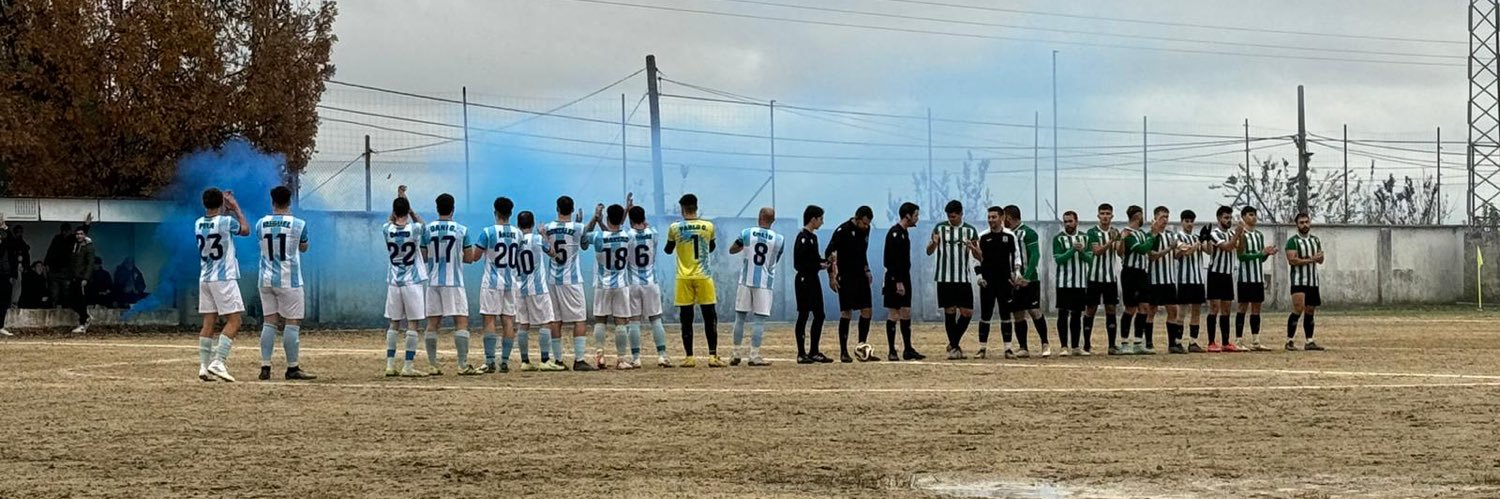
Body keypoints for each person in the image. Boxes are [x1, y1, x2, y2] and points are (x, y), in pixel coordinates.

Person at [255, 185, 316, 381]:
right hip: (289, 279)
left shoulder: (260, 223)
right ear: (290, 202)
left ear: (272, 202)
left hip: (265, 279)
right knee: (292, 322)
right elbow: (304, 248)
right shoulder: (298, 224)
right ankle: (292, 367)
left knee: (269, 322)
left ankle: (265, 366)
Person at [196, 188, 250, 382]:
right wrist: (235, 208)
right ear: (221, 203)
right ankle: (218, 361)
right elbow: (245, 230)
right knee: (235, 321)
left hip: (205, 277)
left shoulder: (198, 223)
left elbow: (218, 225)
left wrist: (223, 209)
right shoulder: (226, 221)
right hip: (224, 278)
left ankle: (203, 366)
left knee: (209, 322)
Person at [665, 194, 721, 368]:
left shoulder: (675, 228)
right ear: (696, 207)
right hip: (704, 276)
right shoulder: (708, 226)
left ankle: (689, 357)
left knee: (686, 317)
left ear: (682, 208)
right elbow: (711, 248)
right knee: (709, 316)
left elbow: (668, 250)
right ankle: (713, 356)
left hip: (684, 277)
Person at [420, 193, 473, 376]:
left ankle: (433, 365)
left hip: (433, 281)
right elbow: (469, 258)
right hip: (454, 282)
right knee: (461, 321)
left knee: (433, 323)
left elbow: (424, 256)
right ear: (453, 208)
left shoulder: (427, 230)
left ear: (437, 208)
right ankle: (462, 364)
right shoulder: (462, 230)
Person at [381, 187, 430, 377]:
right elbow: (421, 223)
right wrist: (409, 208)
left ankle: (390, 365)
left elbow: (390, 221)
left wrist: (399, 203)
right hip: (413, 281)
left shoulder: (387, 229)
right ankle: (408, 366)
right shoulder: (414, 229)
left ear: (394, 212)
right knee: (413, 324)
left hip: (394, 282)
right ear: (407, 211)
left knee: (394, 323)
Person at [544, 196, 595, 371]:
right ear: (572, 210)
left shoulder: (548, 228)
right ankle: (579, 359)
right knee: (580, 318)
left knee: (555, 320)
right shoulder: (578, 227)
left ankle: (558, 360)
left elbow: (545, 247)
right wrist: (591, 220)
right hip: (572, 280)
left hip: (552, 279)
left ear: (557, 208)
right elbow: (585, 244)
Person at [729, 207, 784, 367]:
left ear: (759, 216)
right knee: (759, 320)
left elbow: (732, 249)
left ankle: (735, 353)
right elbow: (775, 260)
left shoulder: (746, 232)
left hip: (745, 280)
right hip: (764, 283)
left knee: (740, 318)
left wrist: (745, 248)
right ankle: (754, 355)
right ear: (773, 220)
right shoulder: (779, 239)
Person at [587, 204, 639, 370]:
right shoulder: (627, 236)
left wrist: (596, 219)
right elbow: (616, 232)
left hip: (602, 284)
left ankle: (600, 356)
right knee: (621, 322)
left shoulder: (598, 236)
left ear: (607, 218)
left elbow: (584, 237)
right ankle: (621, 359)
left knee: (600, 321)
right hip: (621, 284)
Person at [474, 196, 522, 374]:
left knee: (489, 319)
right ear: (511, 213)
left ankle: (489, 361)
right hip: (511, 282)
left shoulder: (488, 232)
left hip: (492, 282)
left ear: (495, 211)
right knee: (508, 320)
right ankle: (505, 361)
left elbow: (476, 255)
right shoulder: (518, 233)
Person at [927, 200, 980, 360]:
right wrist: (934, 244)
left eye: (954, 217)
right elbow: (929, 251)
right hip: (944, 278)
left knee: (967, 312)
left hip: (963, 278)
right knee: (949, 312)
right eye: (949, 217)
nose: (951, 219)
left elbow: (979, 256)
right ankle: (955, 348)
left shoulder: (970, 231)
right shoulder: (939, 228)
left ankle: (953, 343)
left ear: (961, 214)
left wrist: (973, 248)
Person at [515, 210, 564, 371]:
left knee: (523, 324)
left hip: (520, 287)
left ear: (518, 224)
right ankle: (544, 359)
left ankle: (525, 361)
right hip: (537, 287)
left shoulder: (515, 241)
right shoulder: (537, 239)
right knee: (546, 322)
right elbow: (552, 253)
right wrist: (543, 235)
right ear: (533, 223)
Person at [626, 203, 674, 368]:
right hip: (651, 282)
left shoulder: (627, 235)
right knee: (655, 319)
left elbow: (624, 230)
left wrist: (627, 211)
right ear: (644, 218)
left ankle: (636, 358)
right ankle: (662, 355)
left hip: (633, 283)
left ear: (631, 220)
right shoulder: (653, 233)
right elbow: (646, 227)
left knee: (634, 321)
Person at [825, 206, 874, 363]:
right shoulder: (842, 231)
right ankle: (844, 351)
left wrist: (867, 270)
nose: (866, 227)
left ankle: (861, 347)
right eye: (864, 223)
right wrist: (831, 276)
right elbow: (829, 253)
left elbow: (862, 252)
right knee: (846, 312)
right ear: (857, 219)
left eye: (868, 224)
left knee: (867, 310)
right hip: (845, 276)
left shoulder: (866, 230)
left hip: (860, 275)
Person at [976, 206, 1022, 358]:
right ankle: (982, 349)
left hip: (1005, 281)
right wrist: (979, 277)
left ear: (1001, 218)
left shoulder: (1009, 236)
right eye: (989, 217)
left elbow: (1016, 256)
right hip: (987, 282)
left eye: (994, 217)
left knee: (1005, 314)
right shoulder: (982, 236)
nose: (990, 220)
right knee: (985, 315)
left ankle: (1008, 349)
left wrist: (1017, 273)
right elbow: (976, 258)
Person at [1004, 205, 1049, 356]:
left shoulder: (1028, 233)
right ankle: (1023, 347)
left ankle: (1045, 343)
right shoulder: (1006, 234)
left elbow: (1035, 256)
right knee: (1018, 313)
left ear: (1008, 217)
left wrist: (1027, 277)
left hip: (1029, 280)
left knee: (1034, 311)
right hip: (1012, 281)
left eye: (1004, 217)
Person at [884, 202, 925, 361]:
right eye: (916, 215)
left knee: (906, 311)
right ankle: (892, 351)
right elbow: (890, 260)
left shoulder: (904, 233)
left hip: (904, 277)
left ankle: (908, 349)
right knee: (894, 312)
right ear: (907, 215)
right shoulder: (895, 233)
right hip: (895, 279)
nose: (917, 218)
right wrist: (898, 282)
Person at [792, 205, 832, 364]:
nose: (822, 222)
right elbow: (799, 263)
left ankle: (814, 350)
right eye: (820, 219)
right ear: (813, 219)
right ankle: (801, 353)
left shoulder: (813, 238)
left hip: (813, 280)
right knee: (803, 315)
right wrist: (818, 265)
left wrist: (826, 262)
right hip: (804, 280)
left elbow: (815, 259)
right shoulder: (802, 237)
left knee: (819, 315)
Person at [1133, 206, 1175, 354]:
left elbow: (1175, 255)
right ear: (1155, 218)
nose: (1165, 220)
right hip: (1155, 279)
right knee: (1152, 311)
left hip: (1169, 279)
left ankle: (1172, 344)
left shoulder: (1170, 235)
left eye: (1167, 217)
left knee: (1173, 310)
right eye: (1162, 217)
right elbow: (1152, 256)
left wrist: (1183, 250)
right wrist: (1169, 249)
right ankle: (1149, 342)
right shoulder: (1150, 235)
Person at [1234, 206, 1277, 351]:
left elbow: (1261, 259)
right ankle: (1238, 340)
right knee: (1242, 307)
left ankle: (1256, 340)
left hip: (1257, 278)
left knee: (1257, 308)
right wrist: (1260, 254)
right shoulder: (1241, 235)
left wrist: (1267, 254)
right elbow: (1241, 256)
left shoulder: (1259, 235)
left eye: (1255, 215)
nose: (1254, 218)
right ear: (1244, 217)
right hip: (1245, 278)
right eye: (1251, 215)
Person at [1084, 204, 1122, 354]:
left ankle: (1111, 345)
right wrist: (1111, 242)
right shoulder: (1092, 232)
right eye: (1102, 213)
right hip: (1094, 277)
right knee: (1091, 309)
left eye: (1108, 213)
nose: (1105, 216)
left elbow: (1120, 252)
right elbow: (1097, 251)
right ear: (1098, 216)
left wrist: (1120, 241)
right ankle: (1086, 344)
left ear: (1112, 216)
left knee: (1111, 309)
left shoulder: (1115, 232)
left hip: (1110, 278)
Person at [1053, 211, 1092, 356]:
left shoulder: (1085, 237)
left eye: (1070, 221)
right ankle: (1064, 346)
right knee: (1063, 314)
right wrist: (1072, 250)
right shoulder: (1058, 239)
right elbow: (1058, 259)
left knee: (1077, 315)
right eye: (1065, 222)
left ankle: (1075, 346)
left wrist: (1081, 251)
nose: (1068, 224)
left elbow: (1090, 259)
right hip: (1064, 283)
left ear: (1076, 221)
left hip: (1080, 283)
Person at [1285, 213, 1325, 351]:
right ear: (1297, 225)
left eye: (1307, 222)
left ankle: (1309, 341)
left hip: (1313, 281)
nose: (1305, 225)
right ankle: (1289, 340)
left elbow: (1320, 259)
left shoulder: (1315, 240)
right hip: (1298, 280)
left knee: (1310, 310)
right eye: (1301, 222)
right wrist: (1312, 259)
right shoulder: (1292, 241)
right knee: (1298, 308)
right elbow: (1292, 260)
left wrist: (1318, 258)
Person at [1205, 206, 1241, 352]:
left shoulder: (1232, 233)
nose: (1229, 220)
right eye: (1226, 218)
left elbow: (1240, 248)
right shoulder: (1214, 234)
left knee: (1226, 308)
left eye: (1230, 218)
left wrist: (1241, 235)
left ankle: (1226, 342)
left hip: (1227, 274)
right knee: (1214, 308)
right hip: (1215, 274)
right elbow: (1227, 247)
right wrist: (1237, 235)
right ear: (1219, 218)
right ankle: (1211, 342)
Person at [1117, 206, 1149, 354]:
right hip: (1130, 273)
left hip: (1142, 273)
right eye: (1142, 215)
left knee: (1144, 307)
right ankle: (1124, 342)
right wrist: (1154, 234)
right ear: (1137, 216)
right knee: (1130, 308)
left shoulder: (1142, 233)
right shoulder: (1126, 234)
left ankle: (1137, 342)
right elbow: (1142, 249)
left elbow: (1149, 248)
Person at [1175, 210, 1208, 353]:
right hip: (1184, 279)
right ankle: (1177, 341)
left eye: (1191, 221)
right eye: (1187, 221)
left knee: (1196, 310)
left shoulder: (1196, 237)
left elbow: (1209, 251)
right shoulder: (1178, 237)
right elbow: (1186, 252)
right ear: (1182, 222)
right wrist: (1199, 242)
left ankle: (1193, 342)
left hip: (1198, 279)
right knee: (1182, 311)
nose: (1189, 224)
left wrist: (1207, 239)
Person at [68, 224, 95, 333]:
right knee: (72, 300)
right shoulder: (75, 245)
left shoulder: (88, 246)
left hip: (82, 278)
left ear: (85, 235)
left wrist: (85, 278)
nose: (79, 236)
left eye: (81, 234)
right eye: (77, 234)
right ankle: (86, 317)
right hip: (74, 277)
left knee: (80, 301)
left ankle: (83, 322)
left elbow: (90, 264)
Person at [0, 216, 13, 336]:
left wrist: (5, 227)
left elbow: (13, 241)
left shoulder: (4, 238)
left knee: (4, 302)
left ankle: (1, 326)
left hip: (4, 273)